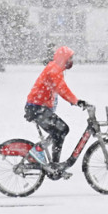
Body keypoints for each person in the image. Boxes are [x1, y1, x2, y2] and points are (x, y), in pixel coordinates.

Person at [25, 45, 89, 176]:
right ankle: (49, 161)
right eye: (70, 58)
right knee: (62, 130)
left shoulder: (55, 68)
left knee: (59, 131)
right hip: (37, 108)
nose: (71, 61)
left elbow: (57, 90)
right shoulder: (54, 70)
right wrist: (76, 101)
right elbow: (62, 89)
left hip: (38, 107)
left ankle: (52, 163)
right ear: (63, 58)